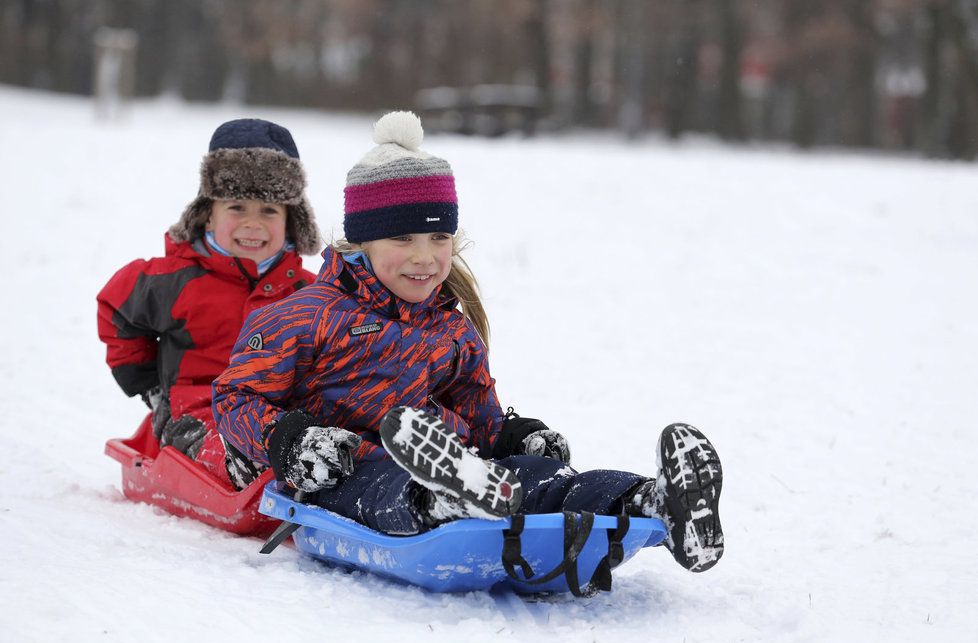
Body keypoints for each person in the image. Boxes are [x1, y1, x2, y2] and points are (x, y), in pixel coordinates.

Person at [212, 112, 724, 572]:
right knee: (379, 488)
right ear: (360, 242)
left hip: (462, 464)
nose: (425, 257)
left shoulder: (450, 327)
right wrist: (292, 441)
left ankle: (649, 503)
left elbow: (476, 410)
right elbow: (235, 397)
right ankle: (443, 501)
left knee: (543, 478)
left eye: (439, 239)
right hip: (347, 473)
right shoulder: (304, 315)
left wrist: (511, 438)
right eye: (403, 239)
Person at [97, 118, 321, 484]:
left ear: (292, 222)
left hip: (276, 413)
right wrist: (149, 383)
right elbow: (115, 307)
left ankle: (340, 471)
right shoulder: (175, 278)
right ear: (208, 214)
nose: (253, 224)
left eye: (269, 211)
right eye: (236, 208)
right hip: (196, 410)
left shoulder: (306, 293)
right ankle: (245, 468)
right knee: (216, 445)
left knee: (318, 431)